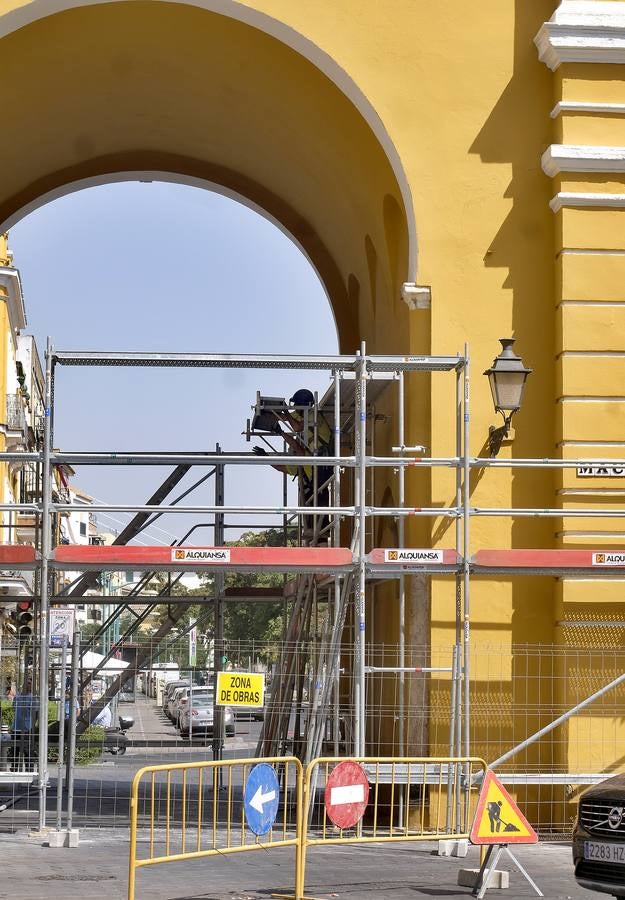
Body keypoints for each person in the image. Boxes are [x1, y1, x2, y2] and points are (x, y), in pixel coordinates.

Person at [253, 388, 333, 540]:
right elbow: (286, 463)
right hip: (313, 475)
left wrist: (284, 415)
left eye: (297, 405)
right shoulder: (301, 416)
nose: (295, 408)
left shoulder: (312, 415)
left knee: (320, 514)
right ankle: (315, 536)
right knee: (311, 512)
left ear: (304, 405)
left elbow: (295, 429)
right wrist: (273, 415)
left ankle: (320, 537)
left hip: (322, 467)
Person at [12, 679, 38, 771]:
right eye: (26, 683)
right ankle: (14, 768)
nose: (28, 686)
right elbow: (14, 709)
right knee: (15, 749)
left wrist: (32, 727)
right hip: (16, 727)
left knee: (28, 750)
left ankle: (29, 770)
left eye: (30, 684)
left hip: (27, 728)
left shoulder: (33, 698)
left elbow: (36, 714)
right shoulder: (17, 697)